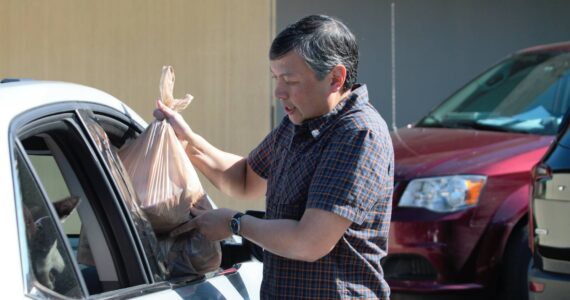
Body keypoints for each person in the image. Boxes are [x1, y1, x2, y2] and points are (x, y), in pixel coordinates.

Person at [155, 14, 394, 299]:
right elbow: (244, 180)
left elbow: (309, 242)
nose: (279, 92)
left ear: (335, 78)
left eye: (290, 80)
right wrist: (187, 142)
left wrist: (234, 223)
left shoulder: (357, 134)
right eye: (276, 78)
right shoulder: (297, 123)